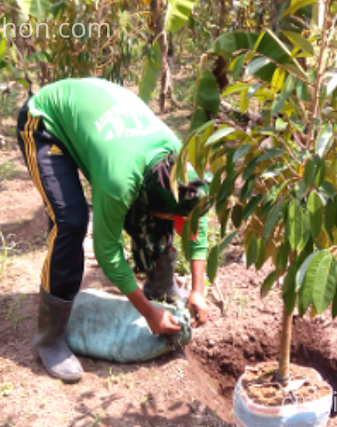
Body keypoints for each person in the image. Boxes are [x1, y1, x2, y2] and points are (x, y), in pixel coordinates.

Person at [15, 78, 210, 383]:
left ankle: (161, 286)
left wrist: (199, 289)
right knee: (70, 222)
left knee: (162, 212)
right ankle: (49, 339)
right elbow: (107, 252)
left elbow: (195, 218)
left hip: (100, 125)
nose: (177, 226)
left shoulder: (180, 163)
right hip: (46, 120)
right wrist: (148, 314)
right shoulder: (120, 181)